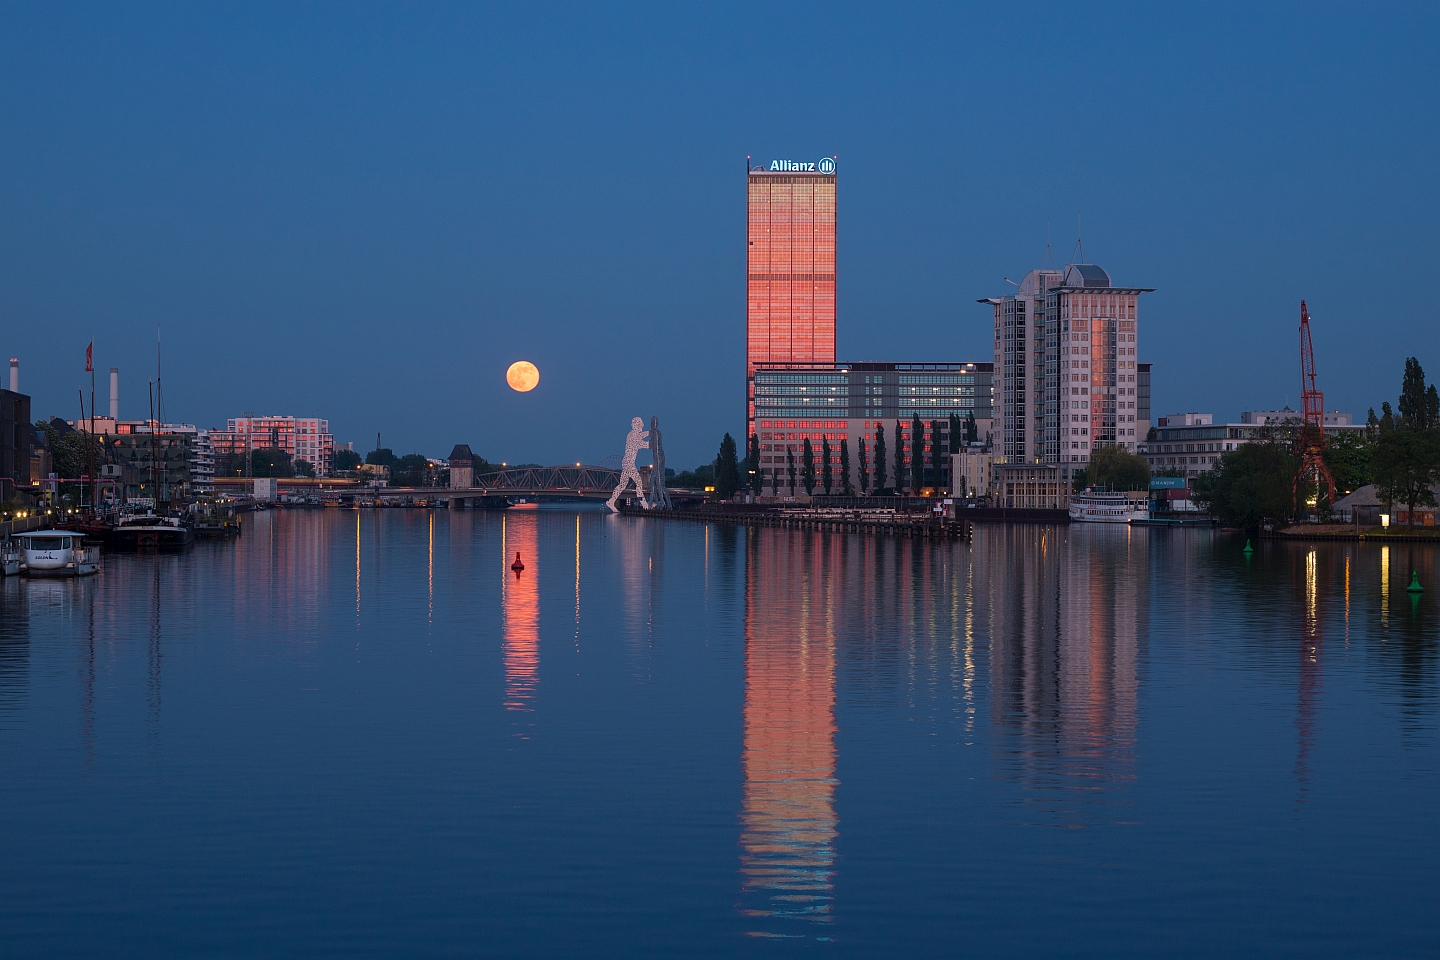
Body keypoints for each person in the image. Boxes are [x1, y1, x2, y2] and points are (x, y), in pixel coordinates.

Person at [606, 417, 650, 512]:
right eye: (640, 424)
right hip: (629, 464)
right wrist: (653, 441)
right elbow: (645, 444)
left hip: (626, 463)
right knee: (638, 484)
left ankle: (611, 501)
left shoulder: (632, 434)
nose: (642, 426)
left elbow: (641, 435)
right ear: (636, 425)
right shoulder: (633, 436)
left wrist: (650, 433)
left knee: (622, 485)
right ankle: (645, 505)